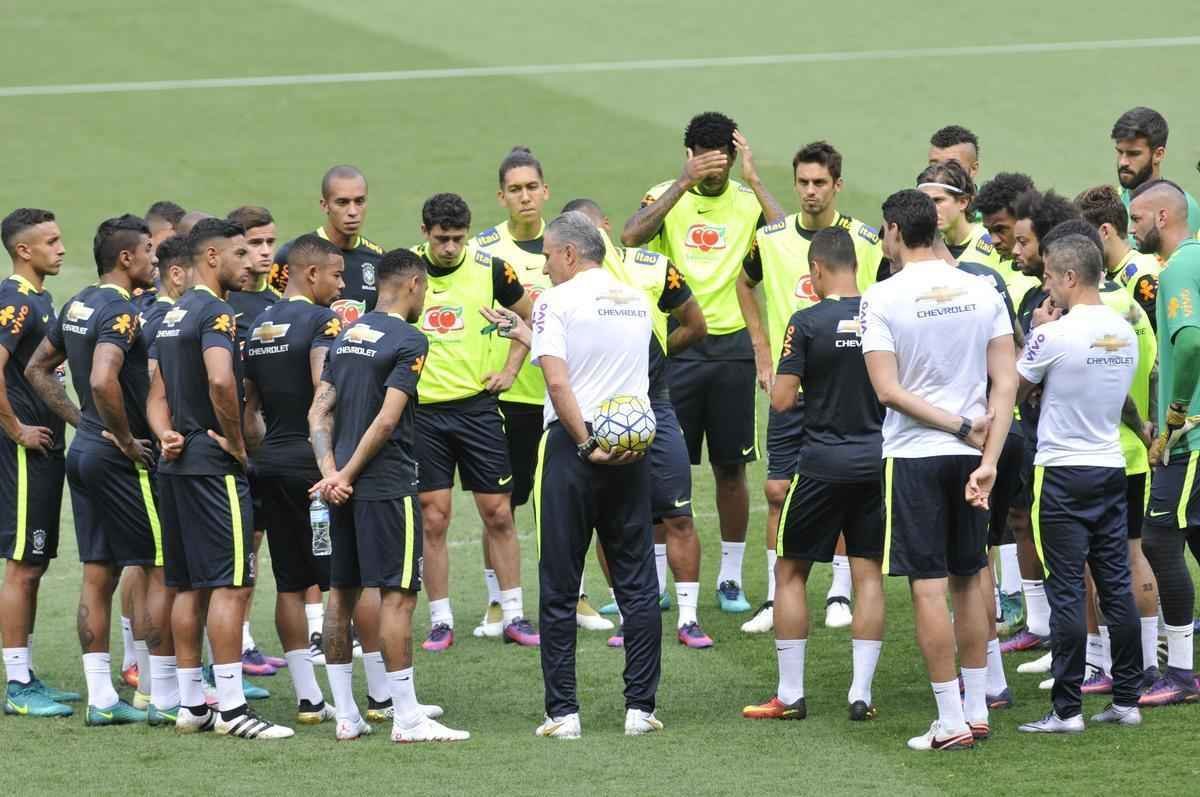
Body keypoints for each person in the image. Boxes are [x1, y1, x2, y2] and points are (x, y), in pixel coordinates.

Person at [860, 190, 1016, 751]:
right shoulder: (983, 289)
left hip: (916, 457)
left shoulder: (880, 297)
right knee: (972, 577)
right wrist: (989, 457)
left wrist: (955, 426)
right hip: (976, 458)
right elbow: (1007, 380)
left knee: (928, 588)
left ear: (897, 230)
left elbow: (888, 390)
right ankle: (976, 710)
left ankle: (950, 719)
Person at [621, 112, 785, 611]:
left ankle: (730, 578)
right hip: (679, 346)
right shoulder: (664, 193)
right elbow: (630, 236)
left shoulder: (745, 199)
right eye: (704, 161)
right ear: (689, 155)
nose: (715, 171)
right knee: (661, 465)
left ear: (734, 159)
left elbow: (785, 239)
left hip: (733, 347)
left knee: (730, 468)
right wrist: (683, 183)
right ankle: (656, 581)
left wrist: (755, 182)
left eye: (724, 162)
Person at [308, 247, 468, 743]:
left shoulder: (348, 333)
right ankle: (407, 718)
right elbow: (388, 419)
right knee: (398, 597)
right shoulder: (409, 339)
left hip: (341, 490)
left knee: (342, 595)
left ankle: (346, 716)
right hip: (386, 485)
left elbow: (319, 412)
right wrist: (349, 473)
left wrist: (330, 472)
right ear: (415, 285)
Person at [148, 218, 292, 739]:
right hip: (213, 469)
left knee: (187, 585)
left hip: (175, 467)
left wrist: (164, 432)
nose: (250, 261)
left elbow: (156, 394)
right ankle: (232, 710)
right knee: (232, 585)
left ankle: (192, 705)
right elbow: (220, 378)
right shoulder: (217, 313)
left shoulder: (168, 315)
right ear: (212, 258)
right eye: (239, 252)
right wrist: (234, 440)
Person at [522, 212, 661, 739]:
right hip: (632, 450)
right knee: (636, 581)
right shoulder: (636, 299)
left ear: (570, 255)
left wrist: (584, 443)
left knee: (559, 583)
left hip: (572, 449)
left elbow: (559, 384)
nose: (545, 266)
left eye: (548, 257)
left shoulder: (554, 302)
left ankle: (564, 713)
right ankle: (640, 709)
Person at [736, 141, 882, 633]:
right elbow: (744, 283)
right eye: (803, 182)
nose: (811, 192)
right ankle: (778, 598)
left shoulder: (863, 239)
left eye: (821, 183)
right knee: (777, 489)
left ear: (837, 185)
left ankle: (839, 592)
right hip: (790, 388)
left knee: (845, 490)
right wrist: (761, 351)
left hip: (846, 389)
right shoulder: (772, 236)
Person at [741, 227, 885, 722]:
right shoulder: (883, 316)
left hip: (821, 464)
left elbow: (782, 400)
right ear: (857, 267)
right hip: (875, 461)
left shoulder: (805, 322)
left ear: (817, 270)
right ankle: (860, 695)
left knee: (790, 572)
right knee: (867, 574)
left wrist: (810, 385)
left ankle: (790, 694)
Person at [25, 215, 161, 725]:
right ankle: (157, 692)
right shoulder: (122, 312)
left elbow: (37, 367)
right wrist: (126, 437)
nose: (155, 259)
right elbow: (104, 380)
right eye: (148, 250)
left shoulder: (80, 300)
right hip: (119, 457)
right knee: (157, 566)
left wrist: (80, 422)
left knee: (98, 573)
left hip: (84, 452)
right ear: (126, 259)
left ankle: (102, 699)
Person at [562, 198, 710, 647]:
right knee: (610, 520)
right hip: (598, 408)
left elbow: (695, 324)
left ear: (605, 225)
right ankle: (631, 614)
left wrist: (659, 353)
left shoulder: (652, 266)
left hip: (653, 404)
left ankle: (687, 617)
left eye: (594, 228)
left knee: (677, 512)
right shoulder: (566, 289)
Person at [1013, 233, 1144, 732]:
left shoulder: (1054, 334)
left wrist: (1035, 328)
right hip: (1110, 467)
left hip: (1061, 473)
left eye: (1048, 276)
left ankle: (1067, 709)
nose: (1045, 284)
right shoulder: (1124, 330)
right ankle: (1127, 700)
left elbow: (1016, 385)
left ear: (1070, 277)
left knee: (1065, 589)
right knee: (1114, 587)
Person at [409, 193, 538, 651]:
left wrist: (510, 370)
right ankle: (441, 620)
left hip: (478, 408)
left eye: (457, 239)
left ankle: (515, 614)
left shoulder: (491, 268)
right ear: (425, 232)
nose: (449, 248)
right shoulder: (408, 273)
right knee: (435, 518)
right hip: (423, 414)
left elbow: (530, 318)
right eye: (441, 239)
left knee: (499, 512)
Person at [242, 233, 345, 724]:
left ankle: (308, 699)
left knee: (289, 581)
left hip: (269, 464)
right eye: (336, 274)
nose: (341, 283)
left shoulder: (258, 324)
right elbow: (323, 392)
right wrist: (329, 461)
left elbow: (248, 409)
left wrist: (263, 453)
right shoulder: (322, 321)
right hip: (312, 468)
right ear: (310, 273)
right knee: (344, 581)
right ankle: (373, 699)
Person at [0, 208, 77, 717]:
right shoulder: (14, 301)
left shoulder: (39, 299)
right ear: (23, 250)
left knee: (37, 561)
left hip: (45, 451)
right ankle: (16, 685)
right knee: (24, 567)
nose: (62, 248)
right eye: (51, 241)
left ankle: (26, 673)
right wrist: (17, 429)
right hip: (24, 452)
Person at [1001, 190, 1082, 665]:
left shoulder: (1066, 304)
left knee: (1070, 550)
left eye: (1024, 241)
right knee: (1027, 524)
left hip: (1063, 444)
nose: (1016, 249)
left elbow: (1036, 374)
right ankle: (1047, 632)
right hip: (1036, 434)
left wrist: (1035, 334)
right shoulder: (1038, 296)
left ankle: (1080, 651)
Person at [1129, 179, 1200, 705]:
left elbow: (1191, 339)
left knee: (1158, 540)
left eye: (1137, 221)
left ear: (1160, 218)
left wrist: (1176, 412)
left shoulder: (1178, 268)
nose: (1134, 232)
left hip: (1190, 436)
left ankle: (1179, 672)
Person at [225, 205, 284, 677]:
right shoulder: (225, 305)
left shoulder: (279, 304)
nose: (264, 253)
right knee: (236, 547)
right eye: (253, 245)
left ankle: (244, 641)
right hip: (234, 447)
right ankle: (233, 645)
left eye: (269, 243)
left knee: (259, 540)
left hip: (270, 446)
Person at [274, 165, 385, 324]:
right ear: (324, 205)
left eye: (359, 201)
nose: (353, 211)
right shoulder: (293, 255)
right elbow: (271, 310)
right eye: (342, 202)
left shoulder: (379, 259)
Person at [1076, 185, 1161, 329]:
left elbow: (1146, 330)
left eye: (1083, 236)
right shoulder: (1108, 272)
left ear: (1105, 231)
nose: (1078, 245)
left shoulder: (1142, 274)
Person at [1111, 107, 1200, 235]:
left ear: (1158, 154)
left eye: (1133, 154)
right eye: (1120, 152)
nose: (1123, 162)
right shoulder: (1109, 204)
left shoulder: (1184, 208)